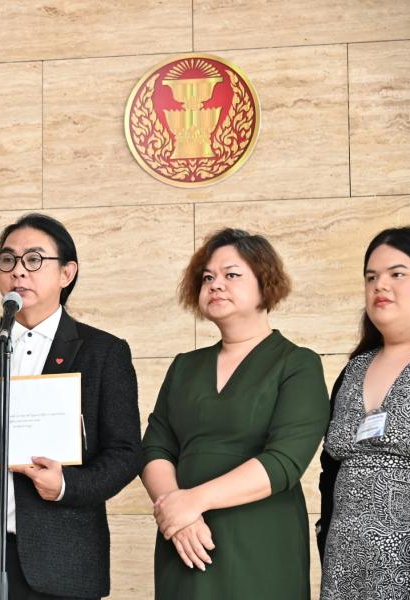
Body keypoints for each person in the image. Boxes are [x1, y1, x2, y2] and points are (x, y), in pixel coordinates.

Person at [0, 213, 141, 600]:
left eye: (34, 259)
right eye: (8, 260)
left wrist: (66, 486)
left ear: (67, 273)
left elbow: (126, 453)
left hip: (62, 559)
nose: (18, 271)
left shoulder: (104, 352)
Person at [141, 228, 329, 599]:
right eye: (207, 277)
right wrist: (177, 512)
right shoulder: (184, 366)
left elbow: (285, 461)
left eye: (231, 274)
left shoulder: (297, 363)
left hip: (260, 538)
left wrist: (193, 501)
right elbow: (155, 448)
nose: (215, 284)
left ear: (265, 282)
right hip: (185, 541)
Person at [318, 226, 410, 600]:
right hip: (342, 574)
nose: (380, 285)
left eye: (397, 274)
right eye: (371, 277)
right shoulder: (352, 370)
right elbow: (329, 470)